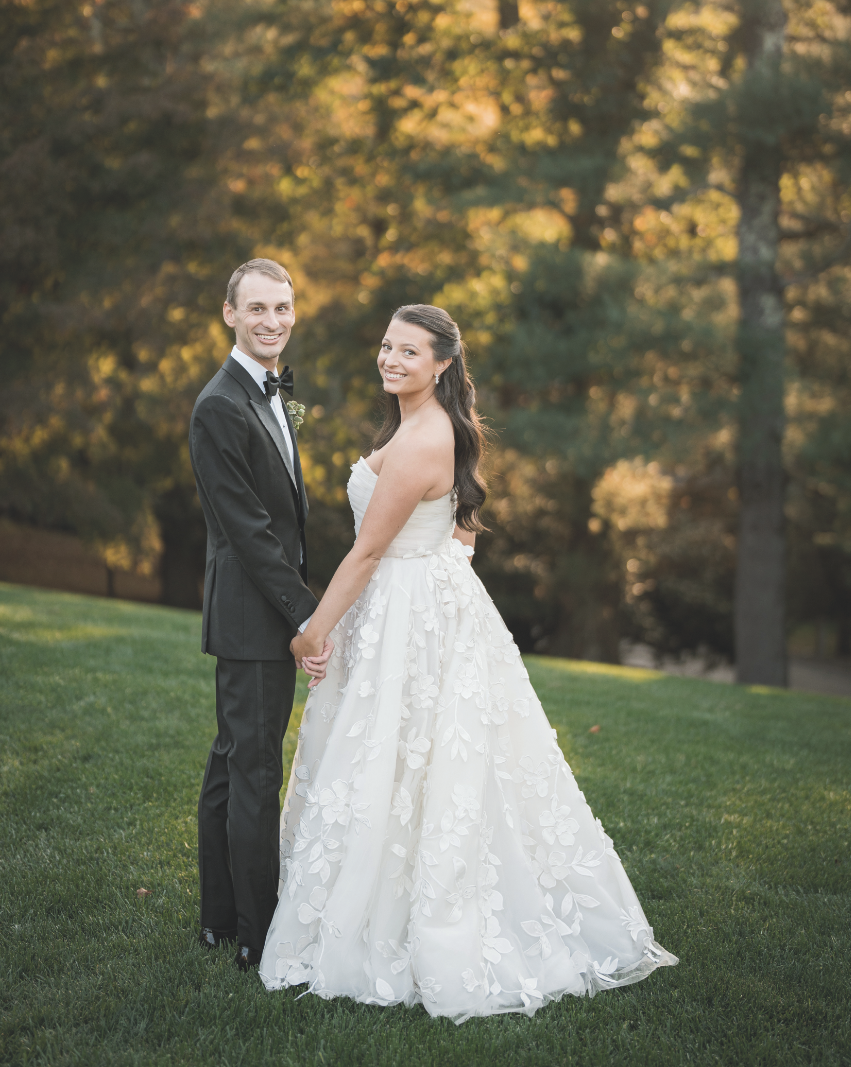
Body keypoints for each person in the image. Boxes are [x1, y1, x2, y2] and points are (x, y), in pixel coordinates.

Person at [259, 303, 677, 1022]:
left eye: (409, 352)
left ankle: (402, 922)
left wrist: (311, 632)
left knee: (407, 758)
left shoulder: (424, 437)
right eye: (387, 346)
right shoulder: (431, 424)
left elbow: (368, 551)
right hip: (415, 606)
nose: (391, 360)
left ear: (443, 363)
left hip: (402, 603)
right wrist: (438, 589)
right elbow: (459, 533)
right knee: (405, 761)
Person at [189, 258, 331, 971]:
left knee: (232, 763)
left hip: (261, 610)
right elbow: (248, 532)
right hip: (253, 617)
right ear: (230, 314)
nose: (271, 321)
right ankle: (257, 932)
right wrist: (307, 616)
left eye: (282, 307)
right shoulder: (219, 405)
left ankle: (220, 919)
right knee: (253, 773)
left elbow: (283, 513)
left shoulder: (270, 390)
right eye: (257, 309)